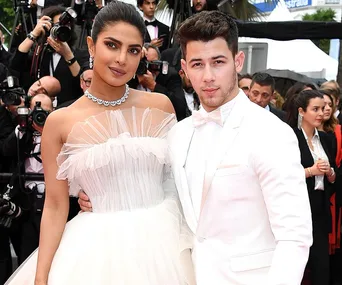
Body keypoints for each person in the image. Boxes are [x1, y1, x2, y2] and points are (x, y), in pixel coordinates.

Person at [80, 10, 313, 285]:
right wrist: (105, 197)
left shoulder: (271, 133)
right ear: (185, 68)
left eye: (218, 62)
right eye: (198, 64)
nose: (208, 76)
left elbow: (294, 236)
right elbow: (165, 201)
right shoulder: (178, 133)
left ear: (238, 61)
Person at [5, 2, 194, 285]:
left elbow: (178, 181)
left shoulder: (161, 106)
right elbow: (56, 206)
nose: (121, 59)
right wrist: (41, 275)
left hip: (163, 244)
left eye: (132, 50)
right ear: (91, 46)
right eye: (112, 45)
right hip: (95, 250)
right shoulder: (60, 122)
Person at [287, 89, 336, 285]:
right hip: (297, 209)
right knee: (295, 268)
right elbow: (283, 175)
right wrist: (310, 171)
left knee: (321, 268)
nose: (320, 113)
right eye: (314, 109)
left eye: (322, 108)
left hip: (320, 209)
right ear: (301, 111)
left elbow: (334, 177)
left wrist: (330, 172)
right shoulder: (290, 138)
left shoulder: (326, 139)